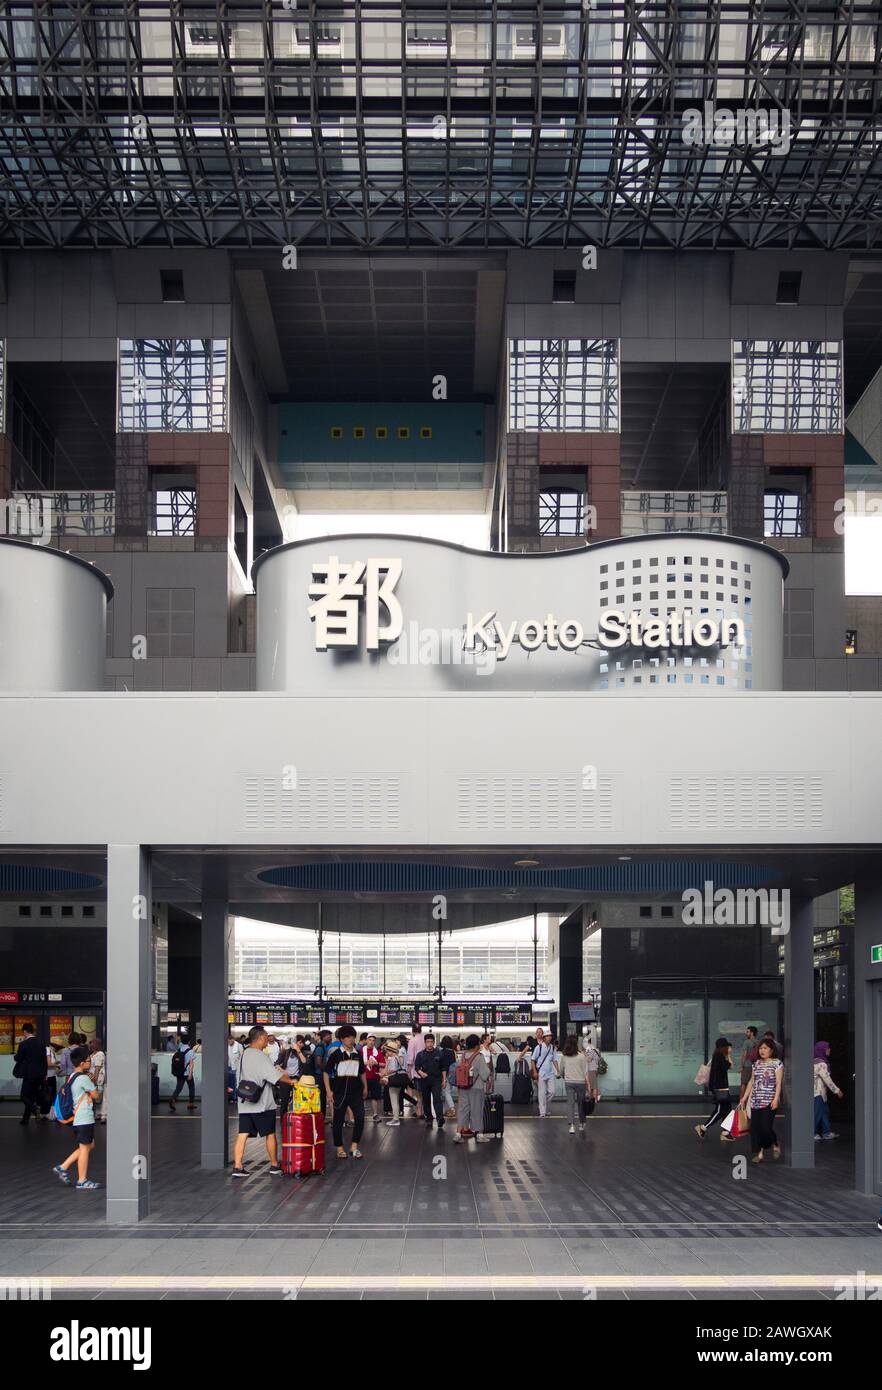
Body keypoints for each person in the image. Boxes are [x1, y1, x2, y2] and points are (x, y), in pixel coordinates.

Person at [232, 1025, 296, 1178]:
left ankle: (237, 1166)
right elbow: (274, 1076)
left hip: (245, 1102)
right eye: (266, 1037)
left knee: (243, 1134)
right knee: (270, 1133)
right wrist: (292, 1081)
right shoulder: (260, 1056)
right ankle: (274, 1165)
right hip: (261, 1104)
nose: (268, 1039)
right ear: (260, 1037)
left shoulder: (244, 1054)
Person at [52, 1045, 102, 1190]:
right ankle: (82, 1180)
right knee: (85, 1148)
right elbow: (96, 1096)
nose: (90, 1062)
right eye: (88, 1060)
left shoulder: (72, 1076)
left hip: (77, 1118)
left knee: (89, 1145)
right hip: (84, 1118)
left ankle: (63, 1167)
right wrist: (93, 1082)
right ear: (82, 1063)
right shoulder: (83, 1078)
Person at [324, 1025, 367, 1159]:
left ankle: (354, 1147)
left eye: (352, 1037)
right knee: (338, 1120)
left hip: (356, 1093)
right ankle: (339, 1147)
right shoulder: (336, 1054)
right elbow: (326, 1072)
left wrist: (365, 1087)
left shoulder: (357, 1055)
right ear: (342, 1039)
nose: (350, 1039)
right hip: (339, 1092)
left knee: (360, 1118)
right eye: (347, 1037)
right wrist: (328, 1091)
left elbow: (362, 1072)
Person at [740, 1037, 783, 1164]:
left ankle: (775, 1143)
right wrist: (745, 1097)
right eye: (760, 1048)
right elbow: (752, 1082)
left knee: (766, 1127)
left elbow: (779, 1083)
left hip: (769, 1101)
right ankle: (759, 1154)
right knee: (755, 1128)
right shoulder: (756, 1064)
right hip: (755, 1100)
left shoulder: (777, 1063)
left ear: (771, 1050)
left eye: (765, 1048)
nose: (762, 1050)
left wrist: (776, 1099)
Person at [695, 1038, 734, 1142]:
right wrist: (729, 1055)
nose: (729, 1048)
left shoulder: (717, 1055)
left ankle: (725, 1133)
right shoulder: (719, 1056)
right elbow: (730, 1066)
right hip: (719, 1088)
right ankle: (703, 1128)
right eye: (727, 1047)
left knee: (727, 1109)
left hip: (721, 1087)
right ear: (723, 1047)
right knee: (720, 1110)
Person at [454, 1035, 492, 1143]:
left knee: (463, 1110)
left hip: (463, 1087)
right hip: (476, 1088)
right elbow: (485, 1074)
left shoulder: (463, 1055)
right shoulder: (479, 1057)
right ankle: (479, 1134)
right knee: (477, 1110)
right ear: (476, 1046)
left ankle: (458, 1134)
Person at [14, 1022, 48, 1126]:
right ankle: (25, 1119)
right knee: (31, 1096)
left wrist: (15, 1056)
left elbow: (18, 1058)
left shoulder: (24, 1044)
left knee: (24, 1096)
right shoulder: (42, 1043)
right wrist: (45, 1073)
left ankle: (34, 1109)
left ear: (25, 1032)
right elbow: (44, 1060)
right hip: (40, 1074)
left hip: (29, 1074)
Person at [560, 1036, 592, 1134]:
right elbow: (585, 1071)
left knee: (570, 1104)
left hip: (569, 1083)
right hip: (580, 1082)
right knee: (581, 1103)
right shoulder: (582, 1056)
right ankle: (582, 1123)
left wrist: (564, 1076)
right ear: (576, 1044)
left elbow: (561, 1071)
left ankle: (572, 1126)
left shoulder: (564, 1056)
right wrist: (589, 1085)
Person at [813, 1041, 843, 1140]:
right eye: (827, 1048)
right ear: (822, 1050)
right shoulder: (821, 1063)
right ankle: (813, 1133)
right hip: (818, 1093)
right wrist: (837, 1091)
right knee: (817, 1113)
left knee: (824, 1112)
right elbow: (827, 1079)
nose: (829, 1050)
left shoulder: (815, 1061)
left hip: (820, 1093)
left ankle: (826, 1132)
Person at [414, 1033, 445, 1129]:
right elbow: (417, 1067)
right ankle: (429, 1119)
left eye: (431, 1042)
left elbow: (443, 1068)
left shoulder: (439, 1053)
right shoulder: (420, 1055)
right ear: (425, 1043)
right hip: (425, 1080)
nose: (430, 1044)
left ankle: (440, 1118)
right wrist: (421, 1073)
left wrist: (444, 1080)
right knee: (426, 1101)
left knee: (437, 1099)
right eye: (428, 1042)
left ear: (434, 1042)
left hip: (436, 1080)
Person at [531, 1029, 559, 1118]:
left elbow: (554, 1060)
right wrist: (535, 1072)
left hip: (550, 1073)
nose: (549, 1037)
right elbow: (532, 1060)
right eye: (547, 1036)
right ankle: (542, 1112)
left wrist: (558, 1071)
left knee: (552, 1091)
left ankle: (543, 1105)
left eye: (550, 1036)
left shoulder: (552, 1047)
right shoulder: (538, 1047)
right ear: (544, 1038)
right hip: (541, 1073)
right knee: (541, 1093)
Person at [381, 1037, 407, 1126]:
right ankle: (396, 1118)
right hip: (400, 1080)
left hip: (394, 1081)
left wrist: (383, 1074)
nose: (387, 1053)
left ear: (391, 1051)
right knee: (396, 1100)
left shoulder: (392, 1058)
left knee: (394, 1101)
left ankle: (395, 1120)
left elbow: (392, 1070)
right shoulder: (398, 1058)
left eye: (388, 1051)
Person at [168, 1036, 197, 1112]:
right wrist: (190, 1074)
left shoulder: (179, 1050)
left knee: (178, 1088)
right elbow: (191, 1064)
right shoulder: (190, 1051)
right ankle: (190, 1104)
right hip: (187, 1073)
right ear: (189, 1042)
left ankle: (173, 1099)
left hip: (179, 1072)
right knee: (191, 1087)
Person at [361, 1034, 386, 1123]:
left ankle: (375, 1114)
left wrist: (376, 1063)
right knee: (362, 1096)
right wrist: (365, 1062)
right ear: (366, 1040)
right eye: (370, 1040)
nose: (371, 1042)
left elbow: (383, 1064)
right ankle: (360, 1114)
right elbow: (357, 1062)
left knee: (375, 1097)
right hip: (363, 1078)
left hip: (375, 1077)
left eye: (373, 1040)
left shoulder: (377, 1052)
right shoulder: (361, 1051)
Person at [405, 1025, 425, 1118]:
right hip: (426, 1071)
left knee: (418, 1093)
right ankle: (424, 1111)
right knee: (424, 1093)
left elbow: (410, 1058)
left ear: (413, 1031)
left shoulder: (412, 1040)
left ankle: (419, 1112)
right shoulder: (425, 1039)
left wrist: (408, 1071)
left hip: (416, 1071)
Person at [88, 1037, 107, 1124]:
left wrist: (95, 1078)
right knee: (96, 1097)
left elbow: (97, 1067)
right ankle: (98, 1114)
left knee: (98, 1097)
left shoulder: (100, 1054)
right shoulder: (93, 1054)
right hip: (92, 1078)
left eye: (92, 1043)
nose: (90, 1045)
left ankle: (100, 1114)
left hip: (98, 1078)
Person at [439, 1035, 457, 1117]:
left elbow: (443, 1066)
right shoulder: (452, 1052)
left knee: (446, 1093)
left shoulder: (442, 1052)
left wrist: (444, 1078)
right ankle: (447, 1110)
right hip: (452, 1074)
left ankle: (452, 1109)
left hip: (444, 1074)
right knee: (447, 1092)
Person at [227, 1031, 243, 1106]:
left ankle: (235, 1097)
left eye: (230, 1040)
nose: (229, 1042)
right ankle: (231, 1097)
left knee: (236, 1083)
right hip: (229, 1067)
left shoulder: (239, 1046)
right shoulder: (226, 1046)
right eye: (228, 1041)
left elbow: (242, 1055)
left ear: (233, 1039)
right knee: (230, 1084)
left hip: (237, 1067)